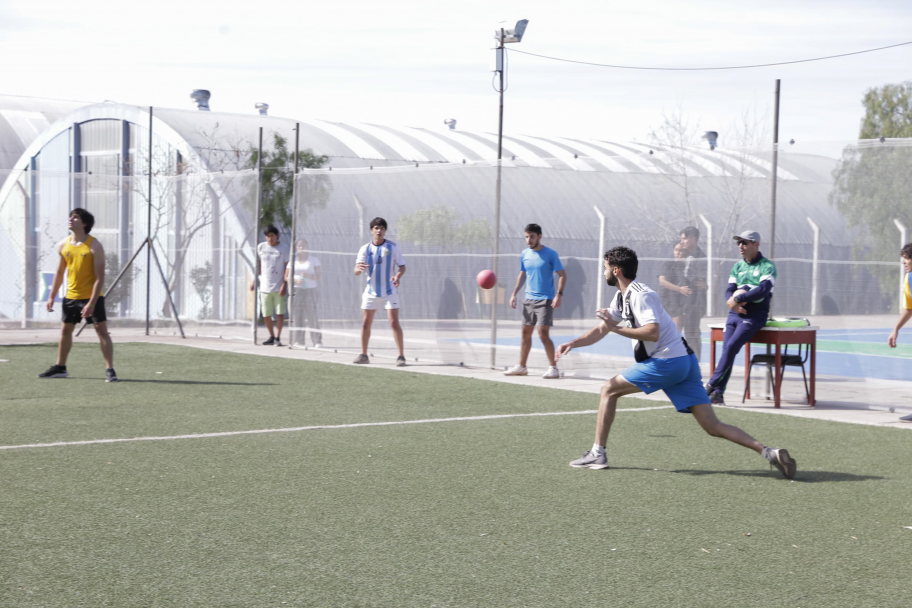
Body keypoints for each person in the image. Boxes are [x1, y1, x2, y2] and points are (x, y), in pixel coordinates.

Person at [556, 246, 796, 479]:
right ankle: (768, 452)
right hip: (684, 362)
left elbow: (652, 332)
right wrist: (573, 343)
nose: (604, 271)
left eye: (606, 267)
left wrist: (616, 328)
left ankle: (598, 454)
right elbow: (601, 330)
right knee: (712, 425)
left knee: (608, 390)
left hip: (667, 362)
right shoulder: (622, 297)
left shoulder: (641, 295)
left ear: (616, 270)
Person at [38, 208, 118, 382]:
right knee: (65, 331)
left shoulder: (94, 245)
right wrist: (52, 296)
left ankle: (110, 370)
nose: (71, 219)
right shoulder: (63, 245)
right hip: (71, 297)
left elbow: (100, 277)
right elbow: (59, 273)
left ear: (85, 223)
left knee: (101, 331)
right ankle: (60, 367)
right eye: (71, 216)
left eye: (76, 217)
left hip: (92, 297)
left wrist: (91, 303)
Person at [705, 231, 777, 405]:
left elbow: (762, 290)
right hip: (735, 313)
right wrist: (733, 303)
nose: (741, 246)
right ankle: (718, 394)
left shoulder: (767, 266)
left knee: (730, 347)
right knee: (727, 351)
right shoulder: (737, 266)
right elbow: (729, 289)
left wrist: (738, 299)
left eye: (745, 242)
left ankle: (710, 385)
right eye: (739, 243)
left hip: (754, 315)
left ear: (756, 244)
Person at [504, 223, 567, 379]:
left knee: (543, 334)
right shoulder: (525, 254)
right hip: (528, 299)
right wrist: (513, 294)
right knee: (525, 334)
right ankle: (522, 367)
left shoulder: (551, 254)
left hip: (545, 299)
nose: (528, 240)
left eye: (532, 236)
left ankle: (553, 368)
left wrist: (558, 295)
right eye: (526, 237)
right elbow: (522, 274)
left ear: (540, 236)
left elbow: (563, 275)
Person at [353, 217, 406, 366]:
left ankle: (401, 356)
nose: (379, 231)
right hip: (371, 292)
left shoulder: (392, 247)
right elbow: (356, 270)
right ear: (371, 230)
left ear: (385, 231)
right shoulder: (365, 249)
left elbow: (402, 266)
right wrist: (358, 269)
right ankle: (364, 355)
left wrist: (398, 275)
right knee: (365, 323)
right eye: (376, 228)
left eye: (382, 228)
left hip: (390, 291)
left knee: (394, 322)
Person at [251, 225, 289, 346]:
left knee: (279, 313)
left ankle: (278, 337)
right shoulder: (261, 247)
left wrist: (284, 283)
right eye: (267, 236)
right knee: (266, 314)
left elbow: (287, 267)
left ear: (277, 236)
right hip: (264, 287)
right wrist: (254, 279)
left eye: (272, 235)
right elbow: (259, 265)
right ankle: (271, 336)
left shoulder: (284, 248)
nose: (270, 238)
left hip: (278, 286)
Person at [888, 242, 912, 422]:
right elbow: (909, 308)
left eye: (907, 258)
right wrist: (895, 329)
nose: (904, 262)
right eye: (903, 258)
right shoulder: (908, 279)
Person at [678, 226, 707, 361]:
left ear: (693, 239)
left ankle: (694, 362)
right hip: (687, 301)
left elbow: (698, 280)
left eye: (685, 238)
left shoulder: (699, 257)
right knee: (689, 332)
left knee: (692, 332)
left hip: (695, 302)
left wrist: (696, 282)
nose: (682, 241)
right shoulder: (686, 256)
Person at [290, 238, 322, 347]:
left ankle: (317, 341)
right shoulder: (292, 261)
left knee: (312, 315)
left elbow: (319, 276)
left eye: (303, 246)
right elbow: (286, 277)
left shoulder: (313, 260)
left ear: (307, 247)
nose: (301, 248)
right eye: (299, 246)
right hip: (297, 290)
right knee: (298, 315)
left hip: (310, 290)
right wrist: (295, 280)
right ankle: (299, 340)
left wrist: (308, 276)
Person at [657, 242, 688, 331]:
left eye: (681, 251)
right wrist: (679, 289)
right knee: (664, 331)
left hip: (680, 301)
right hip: (666, 300)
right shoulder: (667, 264)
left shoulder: (688, 266)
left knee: (677, 332)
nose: (678, 253)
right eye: (676, 250)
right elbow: (662, 281)